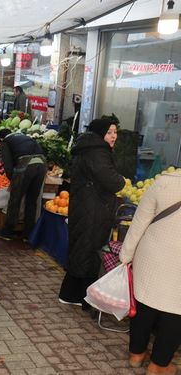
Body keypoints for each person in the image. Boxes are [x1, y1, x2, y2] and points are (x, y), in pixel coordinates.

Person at [119, 170, 181, 375]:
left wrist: (125, 256)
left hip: (151, 253)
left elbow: (138, 223)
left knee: (144, 304)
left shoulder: (162, 182)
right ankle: (158, 365)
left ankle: (136, 355)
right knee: (175, 312)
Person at [58, 119, 125, 308]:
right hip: (92, 209)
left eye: (115, 132)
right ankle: (80, 296)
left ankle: (72, 294)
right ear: (100, 133)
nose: (114, 136)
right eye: (110, 132)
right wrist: (121, 180)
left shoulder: (89, 148)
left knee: (82, 249)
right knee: (87, 250)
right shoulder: (97, 152)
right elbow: (112, 181)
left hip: (87, 207)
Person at [0, 129, 47, 241]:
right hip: (42, 165)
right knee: (31, 201)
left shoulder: (6, 142)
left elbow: (7, 165)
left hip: (25, 166)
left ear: (1, 138)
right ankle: (28, 235)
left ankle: (7, 232)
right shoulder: (25, 137)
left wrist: (13, 181)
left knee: (15, 199)